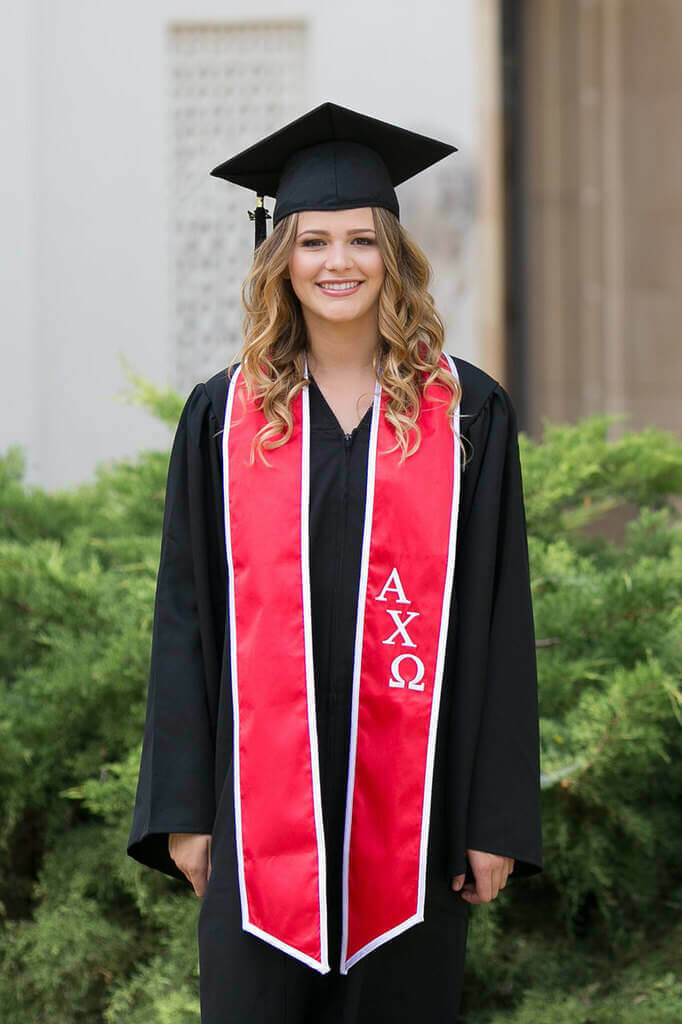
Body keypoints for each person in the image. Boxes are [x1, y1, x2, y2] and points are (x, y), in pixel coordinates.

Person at [127, 102, 543, 1023]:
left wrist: (493, 821)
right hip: (256, 819)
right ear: (281, 259)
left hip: (417, 814)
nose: (338, 262)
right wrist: (185, 811)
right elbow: (185, 612)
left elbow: (496, 622)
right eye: (313, 241)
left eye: (362, 239)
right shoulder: (224, 418)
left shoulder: (466, 416)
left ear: (394, 254)